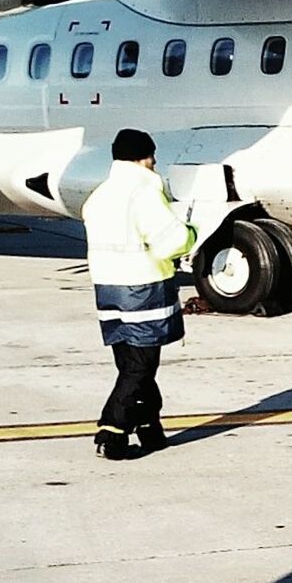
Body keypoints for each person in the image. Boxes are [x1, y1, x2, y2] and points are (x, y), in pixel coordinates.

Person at [82, 129, 197, 460]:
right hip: (142, 287)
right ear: (143, 157)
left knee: (130, 363)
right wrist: (191, 232)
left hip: (107, 287)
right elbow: (171, 241)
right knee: (142, 364)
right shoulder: (144, 192)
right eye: (152, 155)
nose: (155, 161)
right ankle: (112, 430)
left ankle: (150, 429)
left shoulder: (100, 195)